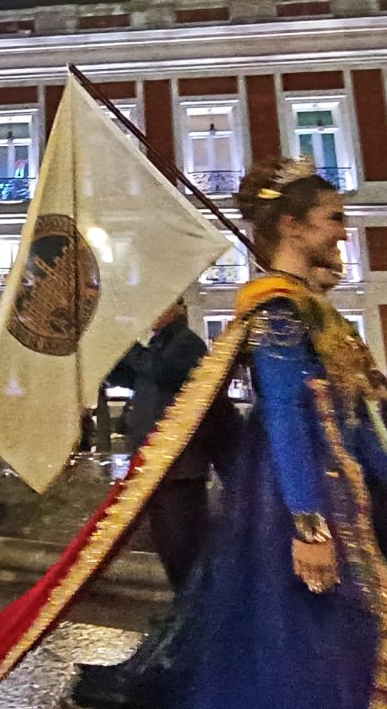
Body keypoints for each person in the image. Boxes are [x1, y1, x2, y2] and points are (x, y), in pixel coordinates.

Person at [164, 159, 387, 707]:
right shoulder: (276, 306)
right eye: (334, 218)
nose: (344, 231)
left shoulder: (312, 306)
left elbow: (353, 412)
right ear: (293, 227)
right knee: (320, 640)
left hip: (340, 489)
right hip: (296, 494)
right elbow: (282, 411)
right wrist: (308, 527)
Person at [73, 298, 240, 708]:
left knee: (187, 558)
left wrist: (128, 341)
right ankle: (185, 637)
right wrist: (106, 346)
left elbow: (160, 372)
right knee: (174, 558)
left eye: (161, 305)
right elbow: (131, 375)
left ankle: (199, 643)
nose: (153, 311)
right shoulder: (161, 345)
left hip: (180, 469)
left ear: (179, 308)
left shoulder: (186, 344)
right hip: (157, 468)